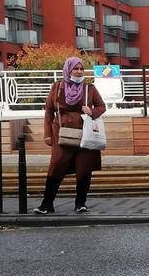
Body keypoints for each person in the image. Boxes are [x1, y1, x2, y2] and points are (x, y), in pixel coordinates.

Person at [34, 57, 106, 214]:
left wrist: (92, 111)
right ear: (68, 70)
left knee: (84, 169)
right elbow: (48, 111)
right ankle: (47, 204)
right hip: (61, 134)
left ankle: (80, 203)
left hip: (85, 135)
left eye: (81, 68)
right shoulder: (57, 87)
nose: (79, 71)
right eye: (76, 68)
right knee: (56, 167)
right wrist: (47, 135)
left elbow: (102, 106)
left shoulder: (89, 88)